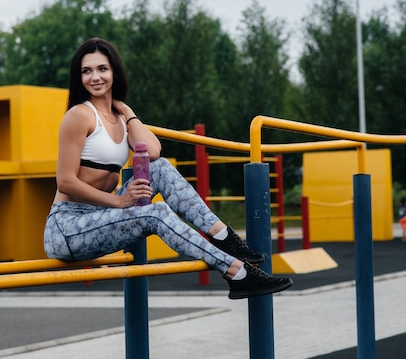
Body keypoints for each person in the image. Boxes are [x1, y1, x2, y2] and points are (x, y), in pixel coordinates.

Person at [43, 38, 293, 299]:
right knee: (156, 212)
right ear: (79, 76)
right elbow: (66, 182)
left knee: (160, 167)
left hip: (103, 216)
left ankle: (222, 237)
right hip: (68, 227)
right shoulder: (79, 115)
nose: (95, 77)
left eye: (102, 69)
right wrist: (120, 202)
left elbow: (153, 151)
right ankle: (236, 273)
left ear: (114, 72)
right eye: (87, 71)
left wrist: (128, 112)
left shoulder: (119, 118)